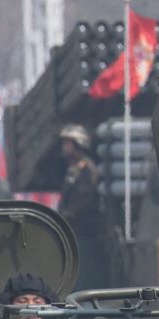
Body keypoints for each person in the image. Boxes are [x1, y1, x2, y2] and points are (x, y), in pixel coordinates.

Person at [56, 124, 111, 291]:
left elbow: (86, 200)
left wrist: (69, 214)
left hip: (85, 231)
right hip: (75, 230)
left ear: (78, 144)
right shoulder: (73, 169)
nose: (64, 147)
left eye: (68, 143)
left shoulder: (86, 169)